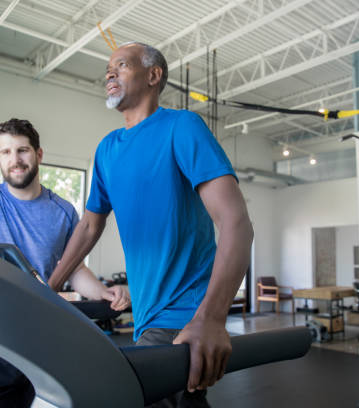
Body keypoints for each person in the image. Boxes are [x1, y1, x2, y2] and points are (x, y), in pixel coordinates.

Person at [48, 42, 253, 407]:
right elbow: (90, 226)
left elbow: (236, 222)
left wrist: (211, 317)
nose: (109, 74)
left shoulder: (181, 127)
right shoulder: (107, 149)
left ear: (154, 75)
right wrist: (49, 286)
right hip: (145, 314)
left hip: (182, 313)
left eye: (122, 66)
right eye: (108, 69)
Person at [0, 118, 130, 408]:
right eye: (5, 152)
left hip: (40, 337)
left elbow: (74, 268)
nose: (14, 160)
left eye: (22, 150)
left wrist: (103, 291)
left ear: (38, 154)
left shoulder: (63, 211)